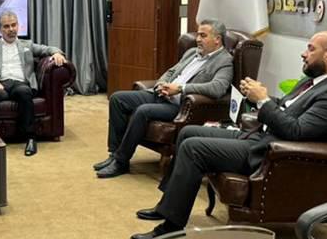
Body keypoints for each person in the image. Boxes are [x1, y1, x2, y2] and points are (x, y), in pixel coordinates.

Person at [131, 31, 327, 239]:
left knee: (193, 147)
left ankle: (170, 227)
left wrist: (263, 101)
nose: (303, 54)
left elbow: (296, 132)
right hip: (261, 136)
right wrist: (258, 96)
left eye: (311, 49)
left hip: (272, 152)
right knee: (188, 131)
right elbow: (286, 107)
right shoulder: (316, 81)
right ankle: (167, 205)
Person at [94, 19, 234, 178]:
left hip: (179, 105)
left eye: (203, 35)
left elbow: (217, 88)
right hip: (161, 94)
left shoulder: (224, 61)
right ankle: (114, 154)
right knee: (117, 99)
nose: (198, 39)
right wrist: (161, 84)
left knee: (143, 111)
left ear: (217, 39)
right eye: (198, 35)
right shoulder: (192, 53)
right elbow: (171, 71)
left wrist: (180, 89)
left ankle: (121, 162)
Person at [0, 10, 67, 157]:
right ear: (0, 29)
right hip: (0, 84)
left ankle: (30, 138)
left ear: (18, 26)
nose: (11, 29)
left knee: (24, 92)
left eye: (14, 25)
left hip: (20, 84)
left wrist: (57, 53)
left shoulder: (27, 45)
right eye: (6, 26)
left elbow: (47, 49)